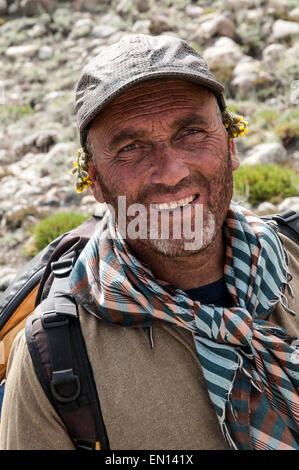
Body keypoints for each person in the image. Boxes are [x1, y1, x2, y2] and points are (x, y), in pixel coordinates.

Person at [0, 34, 298, 451]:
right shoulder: (52, 359)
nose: (171, 172)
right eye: (131, 147)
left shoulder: (293, 258)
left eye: (192, 132)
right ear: (95, 182)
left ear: (231, 146)